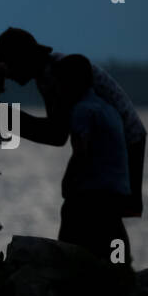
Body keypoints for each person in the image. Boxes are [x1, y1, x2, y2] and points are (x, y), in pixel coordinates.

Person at [0, 27, 147, 218]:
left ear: (21, 60)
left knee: (86, 210)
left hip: (126, 141)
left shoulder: (58, 73)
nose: (8, 74)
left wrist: (10, 119)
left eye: (8, 65)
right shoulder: (47, 71)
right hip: (121, 140)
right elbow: (58, 131)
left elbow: (56, 134)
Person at [51, 54, 132, 260]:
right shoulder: (108, 109)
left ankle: (67, 270)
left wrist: (67, 181)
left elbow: (81, 152)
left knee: (71, 220)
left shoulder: (83, 110)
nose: (56, 91)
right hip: (117, 190)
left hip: (95, 192)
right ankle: (121, 267)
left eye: (59, 84)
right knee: (112, 232)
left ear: (70, 84)